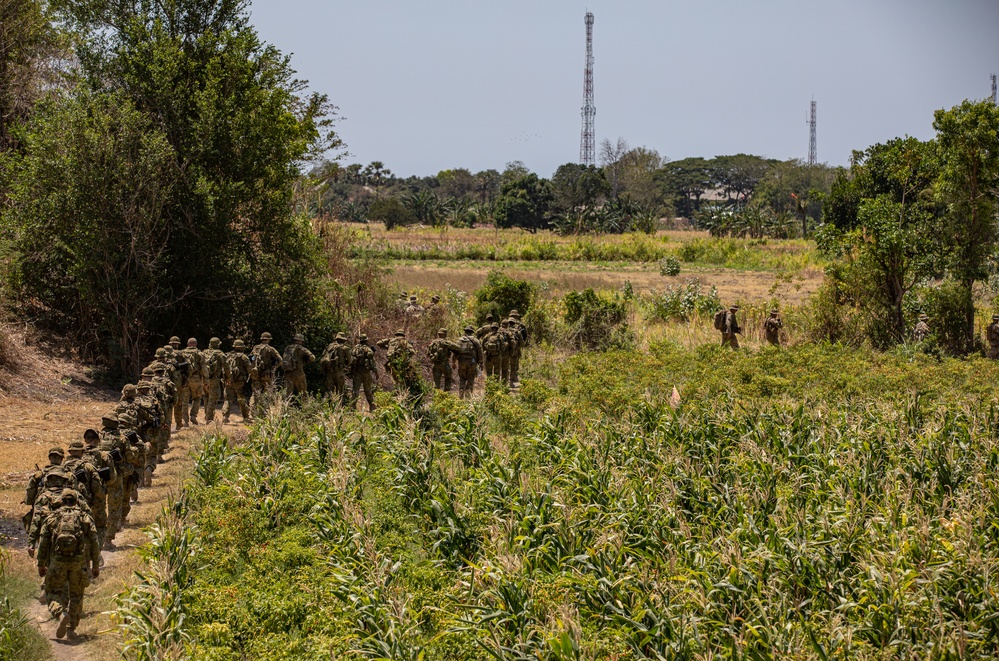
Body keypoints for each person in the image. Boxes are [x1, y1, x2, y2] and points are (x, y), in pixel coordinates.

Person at [36, 490, 100, 639]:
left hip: (58, 561)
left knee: (51, 591)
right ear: (77, 501)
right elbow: (94, 540)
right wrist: (95, 564)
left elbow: (43, 541)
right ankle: (72, 629)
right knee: (77, 595)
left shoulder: (53, 517)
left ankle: (60, 613)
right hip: (78, 561)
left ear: (62, 501)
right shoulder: (84, 517)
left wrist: (41, 564)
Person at [23, 446, 66, 531]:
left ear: (49, 458)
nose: (55, 458)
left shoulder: (39, 475)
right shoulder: (68, 473)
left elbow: (29, 498)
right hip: (64, 509)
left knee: (35, 528)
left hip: (44, 509)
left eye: (55, 457)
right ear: (62, 459)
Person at [250, 332, 283, 409]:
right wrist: (274, 368)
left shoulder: (255, 348)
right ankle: (266, 410)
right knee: (269, 392)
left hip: (255, 374)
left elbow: (251, 358)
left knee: (255, 393)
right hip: (266, 375)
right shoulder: (270, 349)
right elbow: (280, 360)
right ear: (268, 340)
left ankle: (253, 411)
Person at [180, 338, 208, 425]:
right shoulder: (200, 353)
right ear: (196, 344)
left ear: (188, 344)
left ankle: (185, 420)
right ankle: (193, 416)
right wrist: (206, 379)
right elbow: (204, 367)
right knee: (197, 398)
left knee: (184, 400)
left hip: (185, 379)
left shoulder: (182, 353)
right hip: (196, 379)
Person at [223, 339, 252, 423]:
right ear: (242, 347)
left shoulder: (227, 355)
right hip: (240, 382)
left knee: (228, 399)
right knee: (241, 399)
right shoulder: (243, 357)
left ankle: (225, 416)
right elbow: (249, 369)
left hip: (228, 380)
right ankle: (246, 417)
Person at [321, 333, 353, 405]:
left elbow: (323, 357)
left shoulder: (329, 347)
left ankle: (323, 408)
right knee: (340, 392)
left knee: (328, 391)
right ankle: (337, 410)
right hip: (339, 372)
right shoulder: (345, 348)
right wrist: (344, 365)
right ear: (344, 340)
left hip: (329, 372)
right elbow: (350, 361)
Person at [282, 333, 315, 397]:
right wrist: (306, 362)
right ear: (301, 341)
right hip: (298, 372)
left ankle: (285, 405)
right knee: (303, 392)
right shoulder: (301, 348)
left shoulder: (288, 348)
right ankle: (305, 405)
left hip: (288, 372)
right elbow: (312, 357)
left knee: (287, 393)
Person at [351, 334, 378, 412]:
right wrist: (376, 372)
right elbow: (372, 362)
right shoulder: (368, 349)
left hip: (357, 372)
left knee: (355, 390)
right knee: (368, 390)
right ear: (366, 340)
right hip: (366, 372)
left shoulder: (355, 349)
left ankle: (352, 406)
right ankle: (372, 406)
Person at [202, 337, 227, 422]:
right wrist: (228, 378)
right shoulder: (220, 354)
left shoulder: (204, 352)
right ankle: (209, 419)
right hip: (214, 380)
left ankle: (207, 415)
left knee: (206, 397)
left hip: (204, 380)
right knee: (213, 398)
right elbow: (226, 367)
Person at [455, 326, 483, 399]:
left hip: (461, 362)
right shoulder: (475, 340)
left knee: (462, 378)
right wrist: (481, 362)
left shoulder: (459, 340)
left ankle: (461, 390)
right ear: (472, 332)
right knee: (470, 379)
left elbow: (455, 351)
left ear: (465, 331)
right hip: (472, 363)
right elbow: (480, 351)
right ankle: (468, 397)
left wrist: (453, 362)